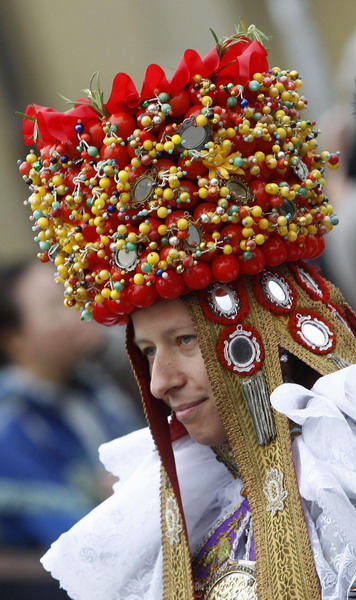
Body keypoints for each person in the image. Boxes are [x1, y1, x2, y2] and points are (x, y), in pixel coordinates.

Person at [17, 25, 356, 599]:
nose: (161, 381)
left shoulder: (340, 483)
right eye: (147, 351)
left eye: (184, 341)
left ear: (265, 328)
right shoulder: (201, 509)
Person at [0, 260, 142, 547]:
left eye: (72, 296)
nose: (76, 311)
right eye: (55, 306)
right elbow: (68, 531)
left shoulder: (95, 386)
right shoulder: (10, 422)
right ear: (14, 340)